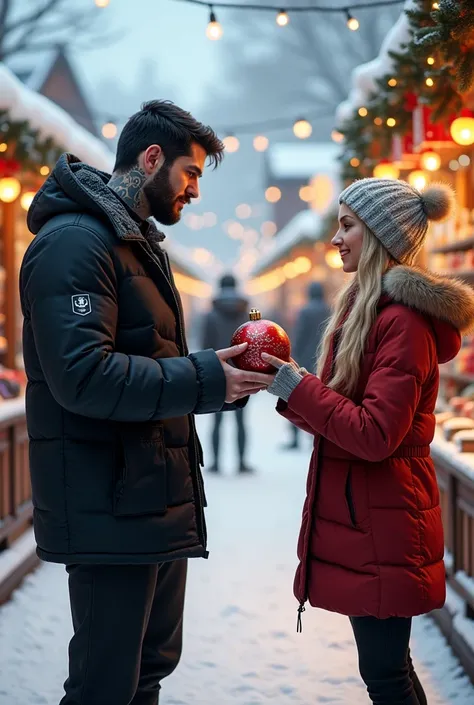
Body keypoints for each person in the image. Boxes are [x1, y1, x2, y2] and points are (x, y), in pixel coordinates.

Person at [19, 100, 274, 705]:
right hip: (107, 504)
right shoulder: (75, 244)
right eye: (190, 174)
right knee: (104, 686)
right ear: (152, 157)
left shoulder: (133, 244)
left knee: (145, 673)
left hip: (146, 501)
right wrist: (205, 377)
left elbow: (148, 362)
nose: (193, 192)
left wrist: (220, 377)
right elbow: (82, 376)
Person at [262, 178, 474, 705]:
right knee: (387, 670)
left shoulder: (400, 321)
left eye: (347, 225)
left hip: (384, 517)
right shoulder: (367, 309)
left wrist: (298, 387)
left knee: (384, 675)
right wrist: (290, 388)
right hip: (372, 516)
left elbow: (375, 435)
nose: (336, 238)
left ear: (379, 237)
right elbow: (345, 421)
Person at [201, 273, 254, 474]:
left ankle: (215, 463)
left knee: (216, 420)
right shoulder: (245, 314)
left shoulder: (211, 315)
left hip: (217, 372)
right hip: (241, 373)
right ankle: (241, 463)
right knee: (241, 420)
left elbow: (205, 346)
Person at [281, 281, 330, 451]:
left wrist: (293, 356)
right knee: (321, 397)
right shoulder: (329, 309)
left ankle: (295, 437)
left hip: (305, 359)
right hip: (323, 357)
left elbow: (300, 335)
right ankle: (318, 434)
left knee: (297, 396)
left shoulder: (305, 311)